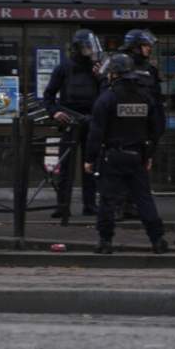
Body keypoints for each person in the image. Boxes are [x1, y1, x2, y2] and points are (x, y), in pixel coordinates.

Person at [84, 53, 168, 255]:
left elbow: (96, 132)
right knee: (144, 199)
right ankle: (157, 240)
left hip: (113, 156)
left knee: (107, 200)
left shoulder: (108, 97)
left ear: (114, 74)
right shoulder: (145, 96)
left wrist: (89, 158)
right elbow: (157, 128)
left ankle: (105, 242)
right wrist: (148, 154)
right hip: (137, 155)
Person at [42, 29, 102, 220]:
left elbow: (107, 95)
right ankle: (62, 206)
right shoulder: (64, 68)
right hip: (71, 122)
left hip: (91, 121)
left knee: (90, 165)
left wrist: (101, 77)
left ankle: (90, 205)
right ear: (78, 48)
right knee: (66, 167)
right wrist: (56, 112)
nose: (91, 51)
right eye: (87, 47)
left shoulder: (97, 68)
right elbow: (49, 95)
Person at [114, 29, 165, 219]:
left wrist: (158, 125)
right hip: (123, 124)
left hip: (143, 124)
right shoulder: (120, 64)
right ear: (134, 47)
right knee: (120, 168)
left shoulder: (150, 69)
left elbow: (157, 98)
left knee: (141, 167)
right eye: (145, 46)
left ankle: (133, 205)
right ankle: (119, 205)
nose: (148, 49)